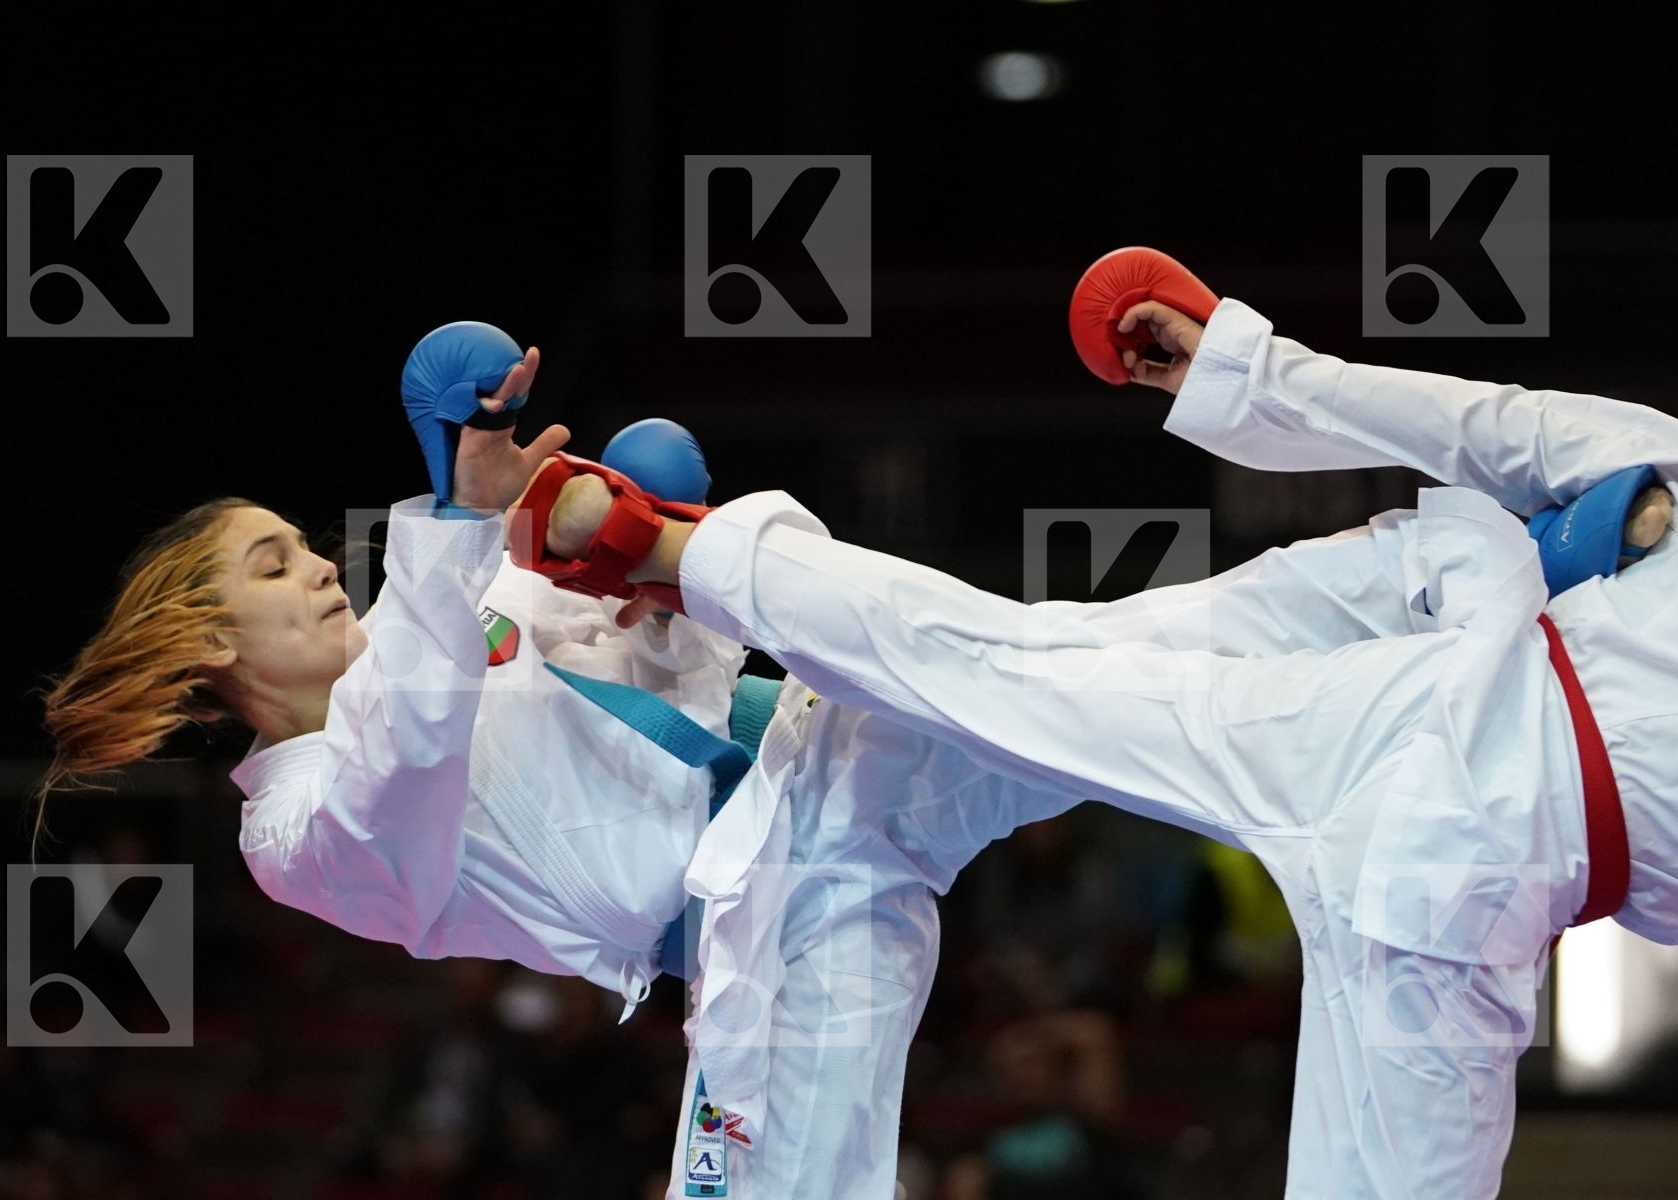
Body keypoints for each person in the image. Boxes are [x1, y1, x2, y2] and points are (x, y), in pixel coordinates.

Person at [520, 254, 1675, 1199]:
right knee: (1032, 667)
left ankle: (699, 563)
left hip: (1462, 906)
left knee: (1029, 671)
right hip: (1420, 695)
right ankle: (678, 548)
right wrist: (1244, 363)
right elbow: (1492, 427)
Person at [39, 323, 1217, 1200]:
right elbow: (411, 749)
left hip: (825, 748)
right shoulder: (295, 836)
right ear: (210, 643)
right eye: (271, 565)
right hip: (766, 936)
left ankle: (1352, 633)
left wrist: (636, 560)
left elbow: (675, 651)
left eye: (300, 544)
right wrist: (453, 516)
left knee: (1095, 675)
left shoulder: (461, 604)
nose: (315, 566)